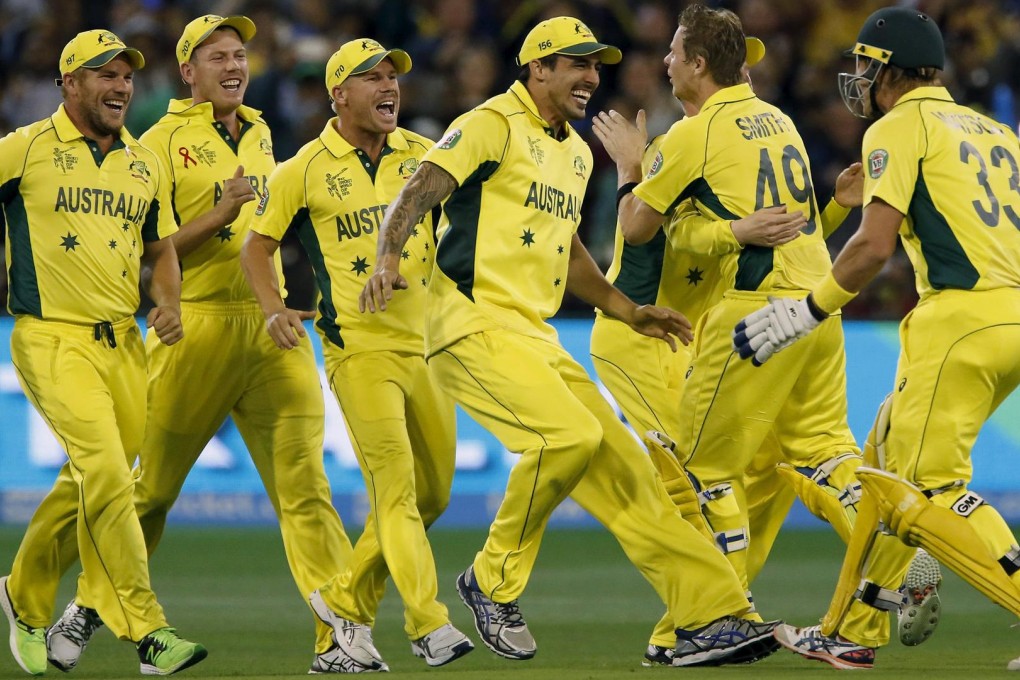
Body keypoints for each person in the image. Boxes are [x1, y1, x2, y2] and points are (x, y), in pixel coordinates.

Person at [358, 16, 782, 667]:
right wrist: (388, 257)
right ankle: (491, 582)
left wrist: (627, 308)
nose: (592, 77)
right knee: (568, 438)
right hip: (467, 326)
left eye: (596, 65)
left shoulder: (579, 152)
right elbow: (419, 189)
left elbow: (569, 249)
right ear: (538, 68)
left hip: (534, 335)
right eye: (577, 64)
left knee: (630, 472)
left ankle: (709, 614)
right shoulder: (490, 123)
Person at [42, 16, 353, 675]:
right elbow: (135, 252)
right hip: (198, 327)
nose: (233, 65)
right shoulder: (155, 143)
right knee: (148, 492)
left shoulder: (264, 131)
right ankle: (95, 604)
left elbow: (265, 231)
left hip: (269, 330)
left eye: (240, 54)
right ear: (188, 73)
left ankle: (341, 639)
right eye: (217, 56)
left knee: (306, 488)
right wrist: (218, 213)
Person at [733, 7, 1020, 670]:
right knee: (885, 472)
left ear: (890, 69)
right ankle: (849, 630)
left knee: (927, 495)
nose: (857, 75)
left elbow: (871, 246)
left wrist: (805, 310)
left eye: (866, 63)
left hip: (960, 323)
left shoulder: (898, 125)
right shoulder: (994, 129)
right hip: (1009, 313)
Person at [592, 34, 876, 665]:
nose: (667, 62)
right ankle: (889, 557)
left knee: (706, 474)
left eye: (675, 52)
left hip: (745, 319)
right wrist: (813, 211)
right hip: (806, 308)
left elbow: (640, 229)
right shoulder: (779, 123)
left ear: (698, 65)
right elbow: (770, 233)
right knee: (818, 453)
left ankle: (713, 620)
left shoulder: (694, 138)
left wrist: (635, 172)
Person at [241, 38, 473, 672]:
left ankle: (342, 603)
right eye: (370, 78)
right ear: (338, 94)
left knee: (435, 496)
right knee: (395, 490)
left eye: (392, 75)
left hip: (427, 347)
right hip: (360, 350)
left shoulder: (423, 158)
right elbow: (256, 247)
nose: (387, 85)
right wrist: (274, 307)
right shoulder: (304, 168)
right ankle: (428, 622)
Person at [0, 29, 207, 676]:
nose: (119, 86)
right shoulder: (23, 149)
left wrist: (166, 302)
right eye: (103, 75)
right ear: (69, 85)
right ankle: (146, 629)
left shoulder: (143, 162)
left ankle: (22, 595)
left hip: (125, 344)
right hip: (52, 336)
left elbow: (161, 248)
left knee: (92, 478)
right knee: (109, 476)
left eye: (125, 76)